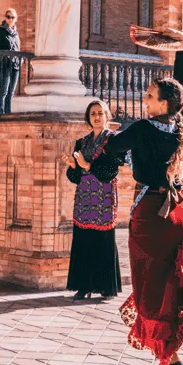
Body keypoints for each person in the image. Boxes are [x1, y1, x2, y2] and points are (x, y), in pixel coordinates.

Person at [89, 29, 183, 365]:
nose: (145, 99)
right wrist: (181, 51)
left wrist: (103, 144)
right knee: (176, 278)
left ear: (164, 104)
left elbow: (109, 148)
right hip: (180, 210)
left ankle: (168, 358)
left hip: (151, 216)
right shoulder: (181, 125)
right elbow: (182, 87)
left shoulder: (141, 129)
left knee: (151, 288)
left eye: (151, 96)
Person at [61, 99, 122, 301]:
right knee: (83, 241)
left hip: (104, 198)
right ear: (88, 118)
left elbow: (111, 170)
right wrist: (73, 165)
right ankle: (83, 286)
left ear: (107, 116)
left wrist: (87, 166)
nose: (97, 117)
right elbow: (75, 178)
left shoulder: (113, 141)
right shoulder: (81, 143)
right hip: (84, 198)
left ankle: (106, 288)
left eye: (100, 113)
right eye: (93, 114)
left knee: (103, 241)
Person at [0, 8, 20, 116]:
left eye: (12, 17)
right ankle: (0, 114)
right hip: (4, 65)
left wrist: (20, 60)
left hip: (15, 66)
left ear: (16, 19)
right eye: (8, 17)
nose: (10, 19)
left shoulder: (16, 34)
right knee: (3, 91)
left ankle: (8, 115)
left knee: (11, 93)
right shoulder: (0, 31)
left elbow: (17, 49)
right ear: (5, 18)